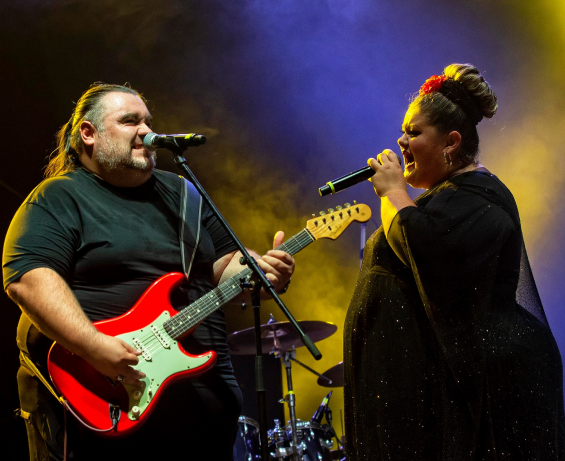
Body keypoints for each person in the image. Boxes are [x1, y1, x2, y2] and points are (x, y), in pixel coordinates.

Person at [2, 83, 295, 460]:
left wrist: (262, 270)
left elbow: (223, 265)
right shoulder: (59, 197)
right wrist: (95, 347)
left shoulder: (185, 194)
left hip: (203, 407)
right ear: (89, 133)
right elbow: (28, 280)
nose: (145, 131)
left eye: (148, 122)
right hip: (111, 401)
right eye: (129, 121)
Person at [343, 63, 565, 460]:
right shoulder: (443, 199)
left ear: (451, 142)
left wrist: (393, 192)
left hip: (448, 401)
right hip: (412, 396)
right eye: (402, 131)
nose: (401, 141)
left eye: (414, 132)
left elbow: (422, 247)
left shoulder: (478, 198)